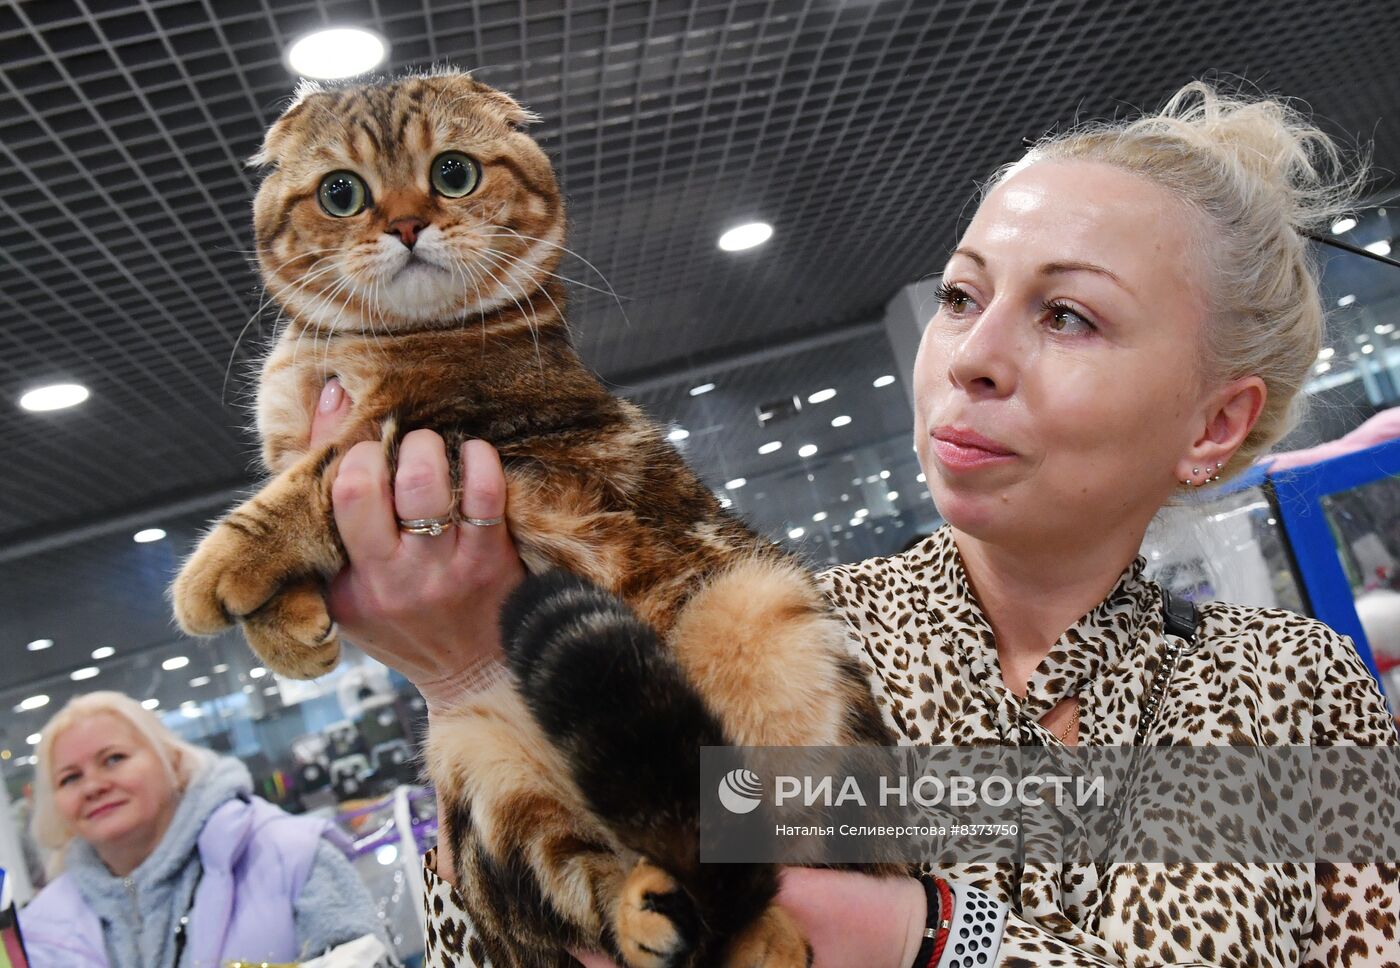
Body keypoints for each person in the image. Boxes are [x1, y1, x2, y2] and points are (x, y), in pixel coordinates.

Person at [306, 81, 1400, 967]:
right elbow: (563, 926)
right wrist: (471, 692)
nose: (965, 353)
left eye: (1067, 314)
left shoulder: (1286, 690)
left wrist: (917, 930)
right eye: (963, 295)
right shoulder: (777, 640)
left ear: (1213, 424)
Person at [19, 690, 389, 967]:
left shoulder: (288, 853)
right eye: (70, 778)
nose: (93, 786)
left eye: (113, 759)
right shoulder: (40, 928)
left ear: (174, 764)